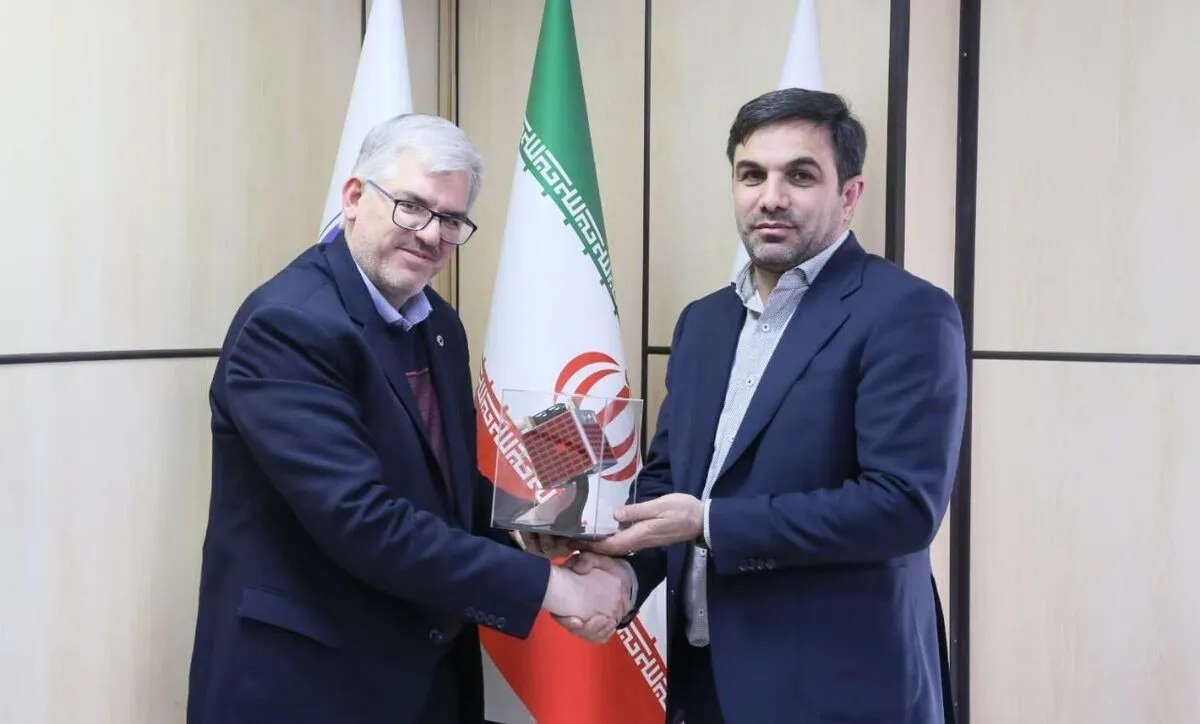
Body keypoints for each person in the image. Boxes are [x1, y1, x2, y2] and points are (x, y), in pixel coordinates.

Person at [534, 88, 967, 723]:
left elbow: (902, 507)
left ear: (850, 195)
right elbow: (670, 484)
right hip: (705, 684)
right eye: (752, 175)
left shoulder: (906, 312)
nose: (771, 197)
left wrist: (710, 522)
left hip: (840, 694)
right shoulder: (704, 322)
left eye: (800, 176)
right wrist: (620, 575)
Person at [185, 113, 629, 724]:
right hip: (309, 685)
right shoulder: (289, 326)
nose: (429, 234)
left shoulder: (438, 324)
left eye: (450, 219)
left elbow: (439, 486)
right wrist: (557, 588)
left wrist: (537, 524)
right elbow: (361, 519)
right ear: (354, 198)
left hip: (426, 675)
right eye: (412, 206)